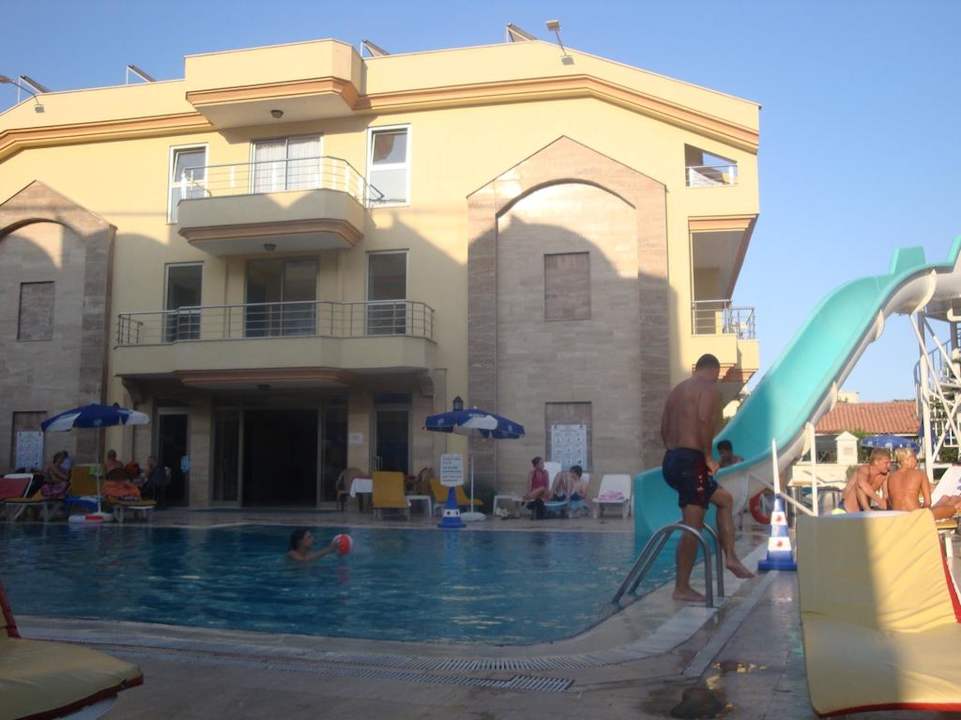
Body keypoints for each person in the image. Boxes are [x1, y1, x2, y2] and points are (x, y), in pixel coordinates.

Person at [661, 353, 754, 602]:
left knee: (724, 499)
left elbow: (664, 427)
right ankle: (681, 588)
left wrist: (675, 452)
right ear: (714, 370)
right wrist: (707, 457)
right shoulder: (709, 389)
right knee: (693, 527)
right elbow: (704, 421)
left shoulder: (677, 391)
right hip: (692, 461)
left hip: (672, 459)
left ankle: (731, 557)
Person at [887, 447, 961, 519]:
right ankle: (956, 507)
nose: (916, 461)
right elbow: (928, 502)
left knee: (945, 498)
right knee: (952, 508)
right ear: (910, 459)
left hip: (898, 516)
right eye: (915, 458)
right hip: (916, 516)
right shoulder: (920, 474)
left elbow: (890, 502)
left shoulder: (891, 477)